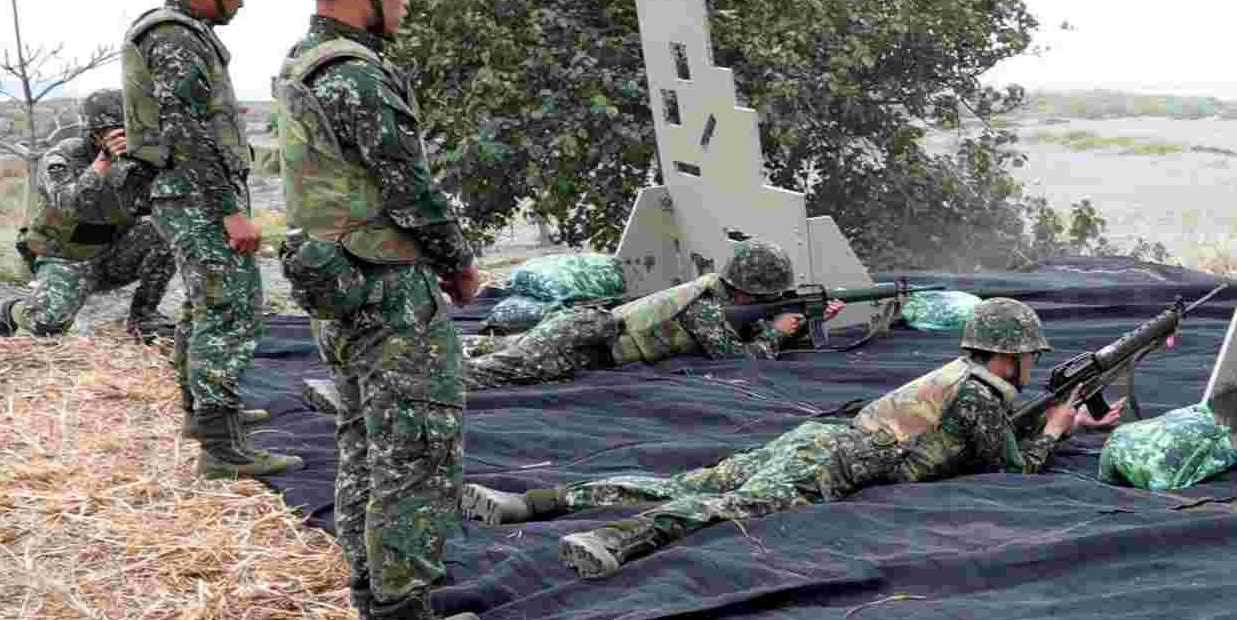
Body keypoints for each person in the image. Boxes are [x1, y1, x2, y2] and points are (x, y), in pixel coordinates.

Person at [456, 296, 1126, 574]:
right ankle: (613, 539)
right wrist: (1058, 430)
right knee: (732, 506)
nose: (1032, 366)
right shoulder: (981, 395)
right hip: (838, 458)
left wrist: (1059, 415)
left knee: (692, 480)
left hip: (822, 434)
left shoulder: (957, 374)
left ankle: (534, 503)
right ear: (1008, 356)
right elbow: (1011, 473)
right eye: (1029, 356)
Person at [274, 0, 507, 620]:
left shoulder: (304, 62)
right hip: (384, 289)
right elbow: (410, 190)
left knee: (364, 447)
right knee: (414, 450)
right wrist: (459, 264)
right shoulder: (356, 76)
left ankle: (381, 610)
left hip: (340, 284)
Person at [120, 0, 290, 474]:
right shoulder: (175, 38)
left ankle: (206, 413)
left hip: (187, 192)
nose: (239, 2)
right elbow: (185, 129)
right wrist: (229, 211)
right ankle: (222, 448)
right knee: (227, 306)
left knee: (203, 303)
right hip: (195, 194)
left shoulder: (179, 35)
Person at [298, 243, 838, 411]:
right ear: (751, 292)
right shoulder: (701, 307)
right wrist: (779, 331)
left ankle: (367, 366)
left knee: (467, 349)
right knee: (477, 374)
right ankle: (355, 389)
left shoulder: (710, 294)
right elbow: (737, 361)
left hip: (581, 329)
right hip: (577, 342)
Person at [0, 89, 175, 347]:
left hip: (112, 251)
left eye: (126, 129)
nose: (121, 137)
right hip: (65, 255)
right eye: (111, 130)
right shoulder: (61, 157)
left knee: (164, 228)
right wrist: (103, 162)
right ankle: (11, 311)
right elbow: (69, 205)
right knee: (47, 324)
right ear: (93, 132)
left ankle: (144, 317)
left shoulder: (139, 157)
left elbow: (159, 202)